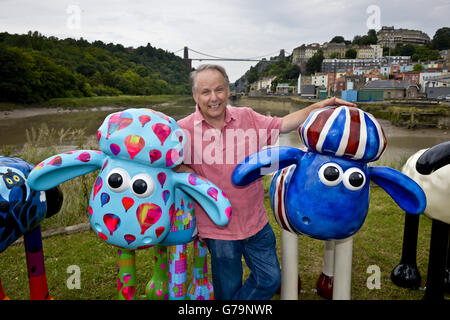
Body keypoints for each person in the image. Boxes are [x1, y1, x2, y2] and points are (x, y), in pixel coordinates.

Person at [176, 64, 356, 300]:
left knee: (270, 278)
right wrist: (190, 172)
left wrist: (320, 107)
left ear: (228, 91)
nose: (213, 98)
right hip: (217, 227)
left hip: (255, 222)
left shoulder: (247, 117)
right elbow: (168, 163)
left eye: (219, 90)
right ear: (195, 96)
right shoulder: (181, 129)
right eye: (205, 92)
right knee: (227, 287)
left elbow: (284, 124)